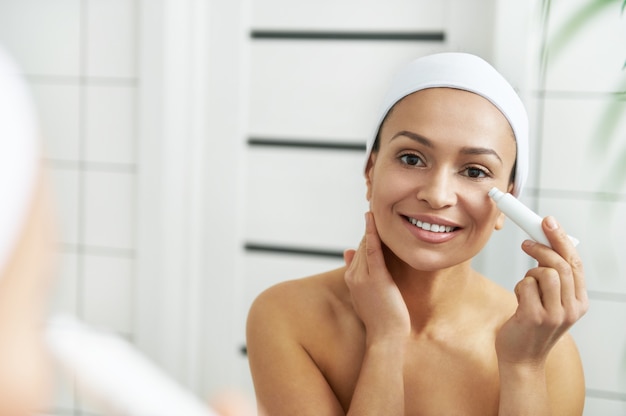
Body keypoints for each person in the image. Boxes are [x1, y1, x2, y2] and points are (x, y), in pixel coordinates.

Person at [246, 52, 589, 415]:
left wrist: (522, 368)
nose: (437, 195)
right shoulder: (288, 318)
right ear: (370, 172)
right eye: (411, 158)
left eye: (474, 172)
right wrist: (385, 343)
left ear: (509, 201)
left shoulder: (546, 353)